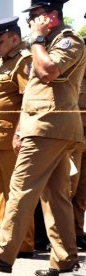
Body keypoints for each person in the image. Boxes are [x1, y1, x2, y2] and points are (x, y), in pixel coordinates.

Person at [0, 0, 86, 274]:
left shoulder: (67, 41)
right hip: (44, 126)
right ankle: (65, 258)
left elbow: (47, 71)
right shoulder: (44, 44)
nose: (31, 22)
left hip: (48, 127)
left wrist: (38, 39)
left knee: (20, 187)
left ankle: (2, 252)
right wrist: (21, 128)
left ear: (52, 16)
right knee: (55, 196)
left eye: (35, 16)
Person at [0, 16, 36, 258]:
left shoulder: (24, 60)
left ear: (15, 38)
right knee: (1, 192)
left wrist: (20, 132)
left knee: (16, 192)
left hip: (13, 139)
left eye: (0, 41)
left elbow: (29, 99)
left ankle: (24, 243)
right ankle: (6, 240)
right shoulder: (4, 62)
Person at [70, 46, 86, 250]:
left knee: (83, 189)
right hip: (75, 134)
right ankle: (65, 234)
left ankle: (78, 231)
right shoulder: (75, 75)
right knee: (69, 186)